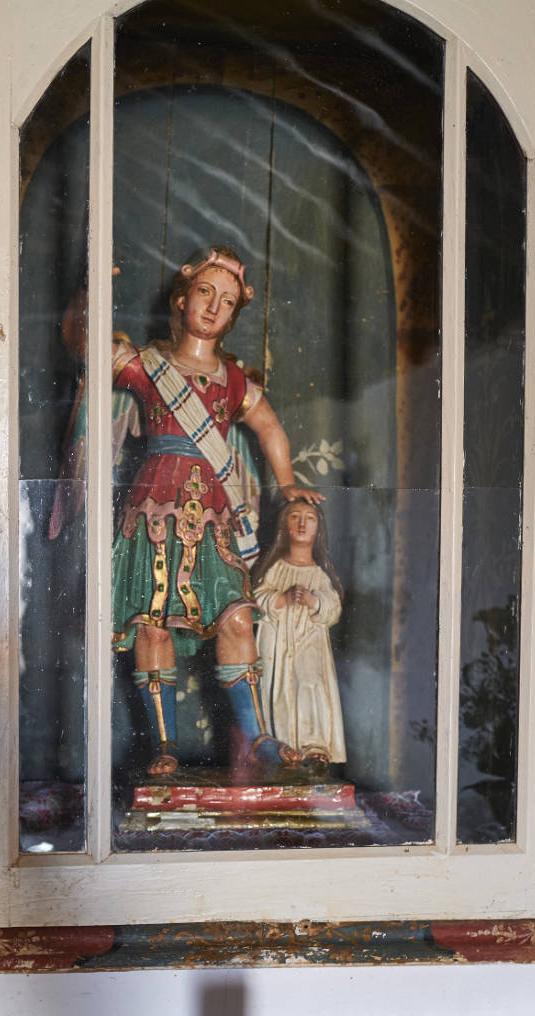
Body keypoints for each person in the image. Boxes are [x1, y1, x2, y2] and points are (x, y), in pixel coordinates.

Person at [69, 246, 323, 776]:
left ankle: (255, 737)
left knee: (236, 622)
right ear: (182, 297)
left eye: (227, 301)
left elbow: (271, 428)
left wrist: (287, 484)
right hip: (151, 515)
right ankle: (164, 744)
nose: (213, 307)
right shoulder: (148, 366)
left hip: (214, 520)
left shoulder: (233, 382)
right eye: (205, 293)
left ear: (233, 316)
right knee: (151, 627)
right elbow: (84, 345)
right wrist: (90, 296)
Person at [251, 497, 346, 766]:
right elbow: (257, 599)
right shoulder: (275, 569)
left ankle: (313, 745)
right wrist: (282, 598)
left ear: (319, 529)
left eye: (310, 518)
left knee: (309, 686)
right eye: (295, 517)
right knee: (279, 690)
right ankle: (282, 748)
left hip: (309, 646)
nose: (303, 523)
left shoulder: (320, 575)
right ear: (284, 525)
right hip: (276, 645)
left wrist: (313, 601)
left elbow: (332, 607)